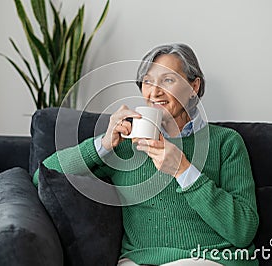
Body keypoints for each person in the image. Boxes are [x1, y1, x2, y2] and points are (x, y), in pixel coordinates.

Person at [34, 43, 259, 265]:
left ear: (194, 87)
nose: (154, 92)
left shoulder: (226, 142)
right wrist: (103, 144)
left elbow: (243, 231)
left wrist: (183, 170)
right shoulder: (126, 144)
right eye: (147, 82)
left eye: (167, 80)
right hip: (142, 261)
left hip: (210, 259)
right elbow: (43, 174)